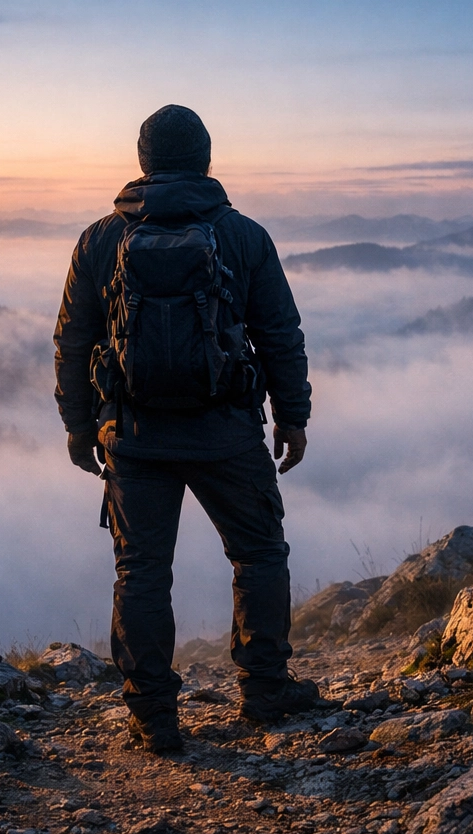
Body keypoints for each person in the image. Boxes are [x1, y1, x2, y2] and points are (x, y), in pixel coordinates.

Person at [53, 104, 324, 754]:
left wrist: (77, 426)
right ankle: (265, 690)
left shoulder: (99, 240)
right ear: (205, 158)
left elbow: (72, 340)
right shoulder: (244, 236)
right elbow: (279, 334)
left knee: (142, 571)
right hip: (226, 431)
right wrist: (293, 416)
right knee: (257, 554)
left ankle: (152, 718)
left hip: (133, 434)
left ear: (143, 161)